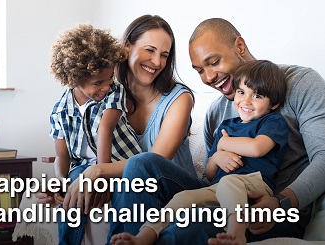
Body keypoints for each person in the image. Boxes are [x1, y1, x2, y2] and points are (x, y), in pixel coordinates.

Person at [150, 18, 325, 244]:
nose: (208, 77)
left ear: (239, 47)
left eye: (213, 62)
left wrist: (282, 203)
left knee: (184, 230)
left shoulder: (301, 83)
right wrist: (217, 157)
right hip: (222, 198)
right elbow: (210, 179)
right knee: (143, 165)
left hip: (271, 210)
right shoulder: (216, 113)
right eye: (199, 71)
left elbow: (323, 157)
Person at [38, 15, 200, 244]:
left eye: (164, 55)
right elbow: (83, 148)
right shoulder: (105, 92)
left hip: (175, 188)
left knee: (136, 168)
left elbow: (154, 161)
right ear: (126, 48)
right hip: (130, 185)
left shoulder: (179, 99)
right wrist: (65, 183)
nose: (156, 62)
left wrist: (98, 171)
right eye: (150, 50)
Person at [110, 60, 289, 245]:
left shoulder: (272, 122)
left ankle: (236, 233)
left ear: (274, 104)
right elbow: (209, 174)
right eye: (241, 92)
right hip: (218, 188)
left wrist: (224, 143)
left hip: (254, 186)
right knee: (182, 198)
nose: (246, 101)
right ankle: (144, 236)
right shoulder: (226, 126)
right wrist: (217, 156)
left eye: (257, 96)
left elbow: (257, 148)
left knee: (230, 181)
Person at [48, 23, 142, 244]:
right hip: (84, 167)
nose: (106, 86)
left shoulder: (114, 92)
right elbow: (63, 156)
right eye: (98, 82)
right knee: (73, 182)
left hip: (120, 162)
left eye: (109, 79)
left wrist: (103, 178)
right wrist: (61, 181)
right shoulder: (60, 111)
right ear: (74, 79)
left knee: (124, 190)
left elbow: (104, 131)